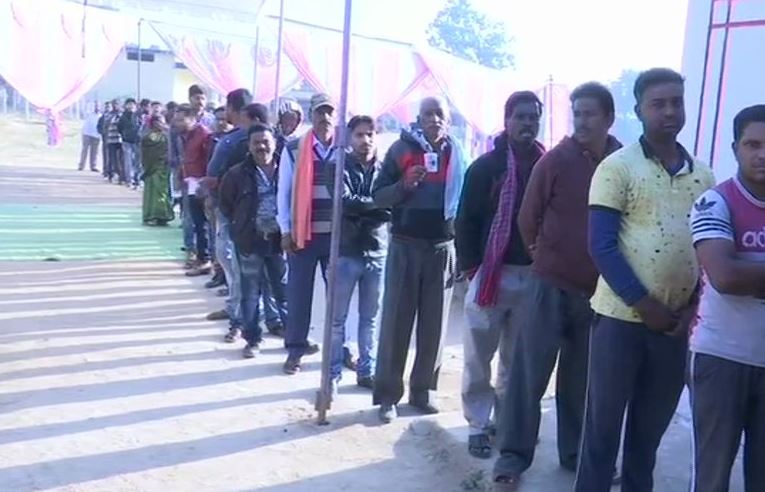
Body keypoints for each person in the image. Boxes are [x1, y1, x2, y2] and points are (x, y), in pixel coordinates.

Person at [574, 68, 715, 492]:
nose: (669, 111)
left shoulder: (703, 177)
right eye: (659, 104)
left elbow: (705, 253)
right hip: (620, 321)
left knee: (647, 436)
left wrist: (689, 310)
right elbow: (602, 247)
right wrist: (645, 304)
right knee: (602, 431)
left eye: (676, 102)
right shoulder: (617, 168)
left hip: (673, 327)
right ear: (639, 111)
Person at [489, 84, 622, 488]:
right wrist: (543, 256)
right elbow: (527, 217)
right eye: (576, 113)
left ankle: (574, 453)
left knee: (582, 383)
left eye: (589, 114)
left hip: (599, 293)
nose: (581, 121)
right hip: (548, 285)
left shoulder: (622, 162)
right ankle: (512, 458)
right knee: (529, 375)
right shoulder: (556, 160)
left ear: (609, 119)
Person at [455, 91, 545, 461]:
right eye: (521, 116)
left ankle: (506, 424)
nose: (527, 123)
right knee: (479, 354)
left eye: (533, 117)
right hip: (491, 274)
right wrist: (475, 271)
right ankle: (477, 424)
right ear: (507, 121)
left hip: (533, 275)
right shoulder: (485, 167)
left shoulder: (547, 165)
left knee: (516, 358)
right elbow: (466, 221)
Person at [372, 96, 467, 423]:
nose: (434, 119)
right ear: (419, 118)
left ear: (448, 120)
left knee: (434, 325)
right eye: (428, 114)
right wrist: (404, 184)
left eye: (439, 114)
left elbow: (465, 202)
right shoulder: (400, 150)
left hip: (442, 247)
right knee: (396, 322)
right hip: (405, 246)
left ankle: (423, 390)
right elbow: (377, 196)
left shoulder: (458, 154)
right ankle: (387, 396)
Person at [689, 105, 765, 492]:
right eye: (753, 144)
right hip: (723, 359)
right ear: (735, 148)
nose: (763, 154)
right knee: (712, 477)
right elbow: (725, 276)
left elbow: (740, 274)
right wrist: (740, 274)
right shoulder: (714, 203)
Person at [326, 115, 391, 394]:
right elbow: (344, 201)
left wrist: (372, 206)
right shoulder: (337, 166)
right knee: (336, 319)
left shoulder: (387, 169)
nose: (366, 140)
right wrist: (377, 206)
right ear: (349, 138)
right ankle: (331, 375)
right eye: (360, 135)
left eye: (371, 134)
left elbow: (393, 206)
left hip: (377, 252)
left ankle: (367, 371)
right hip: (346, 251)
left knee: (370, 319)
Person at [277, 93, 338, 375]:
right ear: (310, 116)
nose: (324, 118)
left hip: (338, 237)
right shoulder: (293, 149)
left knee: (339, 297)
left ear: (335, 117)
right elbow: (284, 192)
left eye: (329, 113)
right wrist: (286, 229)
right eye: (319, 113)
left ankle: (341, 350)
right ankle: (295, 350)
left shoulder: (345, 149)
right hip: (304, 233)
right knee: (299, 294)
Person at [220, 123, 288, 359]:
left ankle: (292, 336)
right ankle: (253, 339)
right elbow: (226, 204)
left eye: (266, 142)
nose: (261, 146)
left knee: (284, 290)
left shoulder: (288, 169)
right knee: (250, 293)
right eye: (256, 142)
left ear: (275, 143)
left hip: (281, 241)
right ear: (249, 146)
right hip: (250, 240)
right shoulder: (236, 174)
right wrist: (240, 228)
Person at [203, 89, 253, 332]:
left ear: (234, 108)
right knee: (227, 256)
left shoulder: (241, 139)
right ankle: (235, 304)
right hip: (230, 206)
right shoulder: (234, 137)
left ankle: (241, 309)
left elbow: (214, 174)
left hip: (235, 208)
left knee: (232, 257)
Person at [174, 103, 212, 272]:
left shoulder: (204, 135)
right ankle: (200, 256)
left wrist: (205, 184)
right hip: (190, 182)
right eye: (177, 120)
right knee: (196, 222)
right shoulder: (186, 136)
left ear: (192, 118)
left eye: (182, 120)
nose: (178, 123)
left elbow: (208, 160)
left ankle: (206, 259)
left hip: (201, 183)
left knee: (202, 223)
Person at [141, 114, 174, 226]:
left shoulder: (167, 135)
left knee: (163, 191)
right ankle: (151, 215)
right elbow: (146, 153)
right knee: (153, 191)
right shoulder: (148, 137)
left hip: (164, 168)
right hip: (152, 168)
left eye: (163, 121)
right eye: (159, 122)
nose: (162, 124)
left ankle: (163, 216)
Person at [118, 98, 142, 188]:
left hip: (137, 141)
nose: (131, 106)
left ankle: (137, 179)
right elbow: (119, 127)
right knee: (128, 161)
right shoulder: (123, 116)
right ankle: (129, 180)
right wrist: (124, 135)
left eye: (132, 104)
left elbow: (141, 126)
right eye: (129, 104)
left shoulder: (138, 115)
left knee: (137, 161)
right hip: (126, 141)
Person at [275, 98, 303, 165]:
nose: (289, 122)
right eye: (286, 118)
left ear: (298, 121)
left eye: (292, 118)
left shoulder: (302, 141)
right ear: (280, 120)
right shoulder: (273, 140)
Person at [104, 99, 124, 184]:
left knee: (121, 159)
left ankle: (121, 176)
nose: (115, 106)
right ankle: (110, 174)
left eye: (117, 104)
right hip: (111, 139)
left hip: (120, 139)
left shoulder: (122, 114)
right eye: (114, 104)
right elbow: (106, 124)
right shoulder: (109, 114)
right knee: (112, 158)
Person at [79, 102, 102, 172]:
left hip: (96, 135)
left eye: (98, 107)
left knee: (94, 151)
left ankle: (93, 166)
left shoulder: (101, 116)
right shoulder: (89, 114)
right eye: (96, 106)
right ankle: (81, 165)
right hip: (87, 134)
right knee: (84, 150)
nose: (97, 108)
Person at [96, 101, 112, 176]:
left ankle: (111, 171)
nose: (107, 108)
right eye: (106, 107)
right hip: (105, 138)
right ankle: (105, 170)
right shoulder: (102, 117)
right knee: (105, 155)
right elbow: (98, 126)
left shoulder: (113, 116)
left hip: (113, 138)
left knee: (111, 156)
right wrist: (102, 132)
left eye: (109, 106)